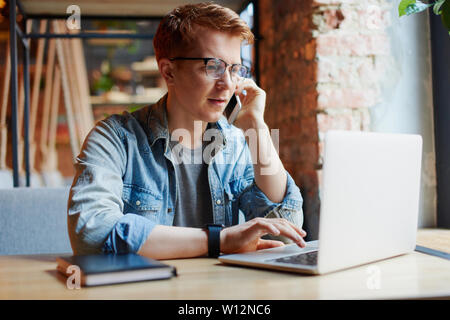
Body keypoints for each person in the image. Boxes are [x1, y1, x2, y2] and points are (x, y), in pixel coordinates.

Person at [68, 2, 306, 260]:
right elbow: (91, 234)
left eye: (235, 69)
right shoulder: (114, 138)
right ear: (169, 72)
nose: (227, 84)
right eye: (213, 66)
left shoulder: (237, 144)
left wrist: (257, 126)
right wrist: (220, 240)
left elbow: (284, 235)